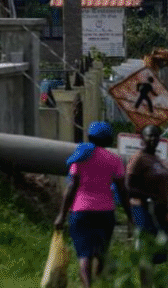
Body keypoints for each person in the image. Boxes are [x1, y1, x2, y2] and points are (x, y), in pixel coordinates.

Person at [54, 121, 132, 288]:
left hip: (81, 211)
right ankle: (99, 282)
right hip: (105, 212)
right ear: (109, 139)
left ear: (89, 137)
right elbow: (122, 190)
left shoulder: (80, 156)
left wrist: (61, 214)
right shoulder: (114, 160)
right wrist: (130, 215)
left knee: (84, 254)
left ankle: (87, 286)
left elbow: (72, 186)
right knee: (101, 252)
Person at [126, 124, 168, 284]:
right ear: (142, 138)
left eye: (155, 135)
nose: (152, 138)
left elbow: (166, 191)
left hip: (160, 211)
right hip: (144, 210)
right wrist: (151, 198)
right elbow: (129, 187)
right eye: (149, 135)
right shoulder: (138, 158)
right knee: (146, 251)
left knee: (158, 254)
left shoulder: (158, 159)